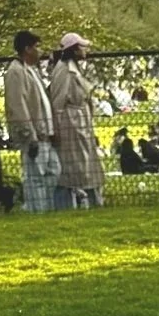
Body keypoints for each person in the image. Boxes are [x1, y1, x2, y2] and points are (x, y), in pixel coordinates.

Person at [2, 31, 57, 210]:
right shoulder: (15, 71)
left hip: (45, 133)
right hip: (34, 136)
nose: (40, 51)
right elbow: (17, 105)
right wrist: (29, 134)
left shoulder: (32, 70)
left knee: (54, 172)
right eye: (36, 47)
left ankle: (47, 208)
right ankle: (37, 212)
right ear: (27, 49)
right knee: (35, 178)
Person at [48, 34, 103, 208]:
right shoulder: (64, 70)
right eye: (82, 46)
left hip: (80, 121)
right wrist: (56, 129)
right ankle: (69, 202)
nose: (85, 49)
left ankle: (89, 199)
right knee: (72, 166)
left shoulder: (74, 68)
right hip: (70, 124)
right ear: (74, 49)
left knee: (84, 163)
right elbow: (57, 103)